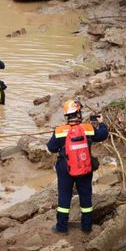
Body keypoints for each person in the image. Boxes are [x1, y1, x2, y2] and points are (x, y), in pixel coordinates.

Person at [47, 100, 108, 234]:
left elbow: (51, 147)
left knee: (64, 196)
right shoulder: (88, 128)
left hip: (65, 167)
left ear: (67, 116)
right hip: (84, 165)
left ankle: (61, 227)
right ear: (79, 113)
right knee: (86, 196)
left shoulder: (59, 131)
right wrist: (101, 123)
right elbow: (103, 135)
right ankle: (86, 227)